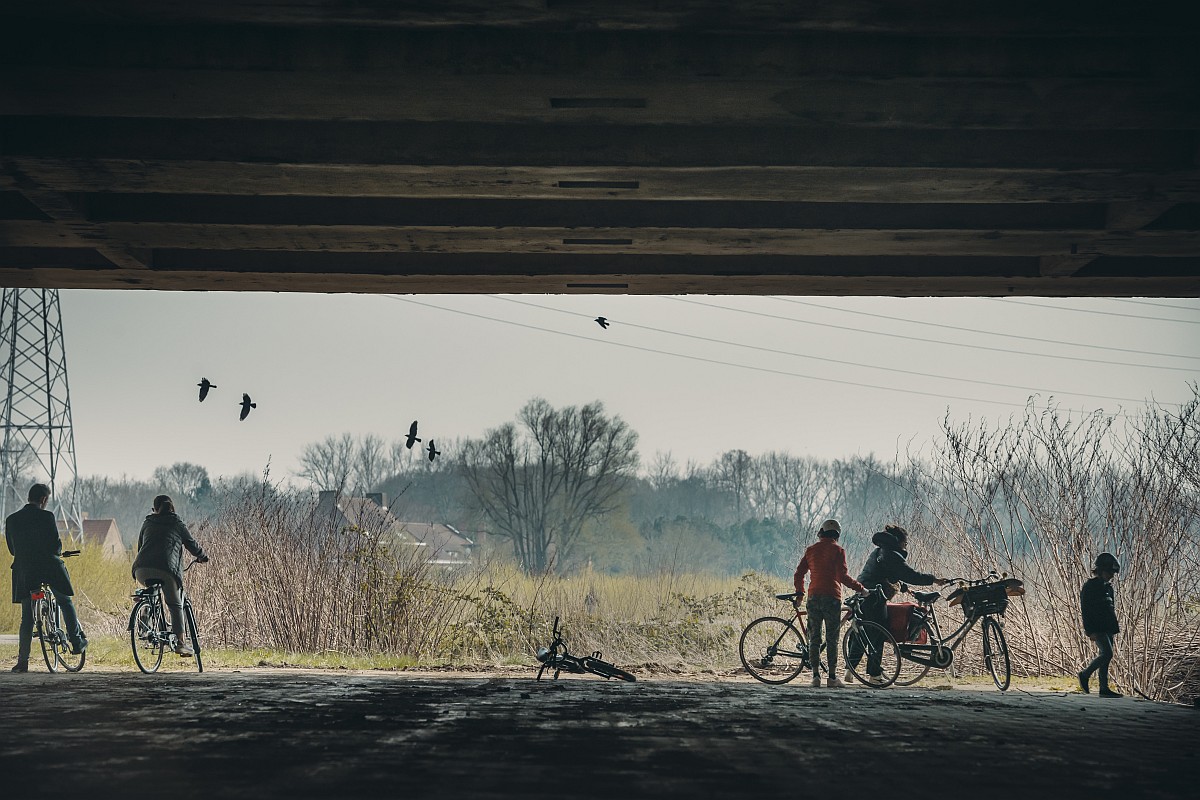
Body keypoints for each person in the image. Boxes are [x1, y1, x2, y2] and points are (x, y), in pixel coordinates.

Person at [844, 523, 947, 684]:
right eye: (905, 542)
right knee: (879, 633)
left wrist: (905, 588)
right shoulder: (891, 554)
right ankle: (874, 674)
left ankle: (850, 670)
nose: (906, 545)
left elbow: (889, 574)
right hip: (875, 597)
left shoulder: (880, 551)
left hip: (863, 594)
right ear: (898, 541)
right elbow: (909, 574)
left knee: (863, 633)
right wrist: (933, 579)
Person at [6, 483, 87, 672]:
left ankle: (22, 662)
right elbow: (55, 546)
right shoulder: (47, 516)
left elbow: (12, 550)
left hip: (24, 571)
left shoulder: (12, 519)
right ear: (43, 500)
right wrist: (58, 552)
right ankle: (76, 642)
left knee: (27, 618)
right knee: (65, 601)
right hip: (48, 568)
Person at [131, 494, 209, 656]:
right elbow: (191, 544)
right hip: (166, 569)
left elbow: (140, 546)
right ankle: (180, 644)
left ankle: (147, 610)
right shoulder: (177, 523)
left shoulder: (147, 522)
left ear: (154, 510)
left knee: (151, 590)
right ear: (172, 508)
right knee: (175, 605)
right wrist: (201, 556)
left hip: (141, 568)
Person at [794, 519, 867, 688]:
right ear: (837, 534)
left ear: (822, 532)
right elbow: (842, 577)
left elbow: (799, 574)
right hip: (832, 598)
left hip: (813, 598)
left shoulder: (811, 550)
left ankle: (815, 677)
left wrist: (800, 593)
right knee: (832, 638)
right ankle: (832, 677)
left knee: (814, 638)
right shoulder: (838, 550)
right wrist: (861, 589)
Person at [1078, 552, 1122, 698]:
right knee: (1107, 653)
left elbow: (1111, 608)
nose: (1111, 576)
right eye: (1110, 572)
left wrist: (1114, 628)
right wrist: (1089, 631)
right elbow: (1086, 609)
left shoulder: (1108, 588)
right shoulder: (1090, 586)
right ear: (1101, 570)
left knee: (1106, 657)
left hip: (1108, 627)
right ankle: (1085, 674)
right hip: (1097, 628)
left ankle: (1104, 688)